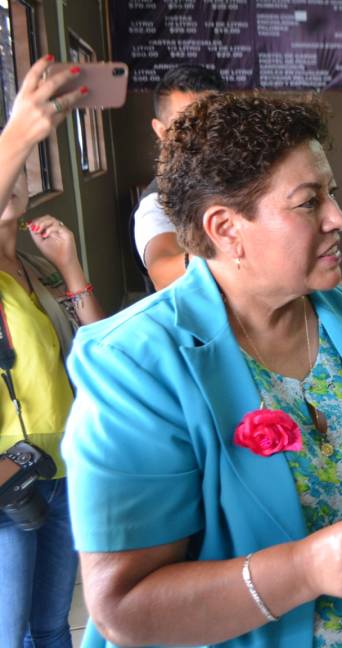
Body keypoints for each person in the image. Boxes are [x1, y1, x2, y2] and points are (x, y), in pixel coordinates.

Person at [62, 94, 342, 647]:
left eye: (333, 194)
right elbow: (125, 610)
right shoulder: (136, 365)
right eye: (307, 202)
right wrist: (304, 569)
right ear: (226, 228)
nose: (339, 218)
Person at [0, 55, 101, 648]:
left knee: (52, 626)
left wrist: (69, 266)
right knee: (11, 635)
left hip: (62, 468)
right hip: (7, 478)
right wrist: (17, 131)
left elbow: (95, 345)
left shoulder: (34, 268)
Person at [132, 64, 225, 291]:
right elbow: (162, 274)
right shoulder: (157, 203)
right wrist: (233, 244)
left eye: (211, 120)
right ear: (162, 131)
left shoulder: (244, 177)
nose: (201, 133)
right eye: (185, 123)